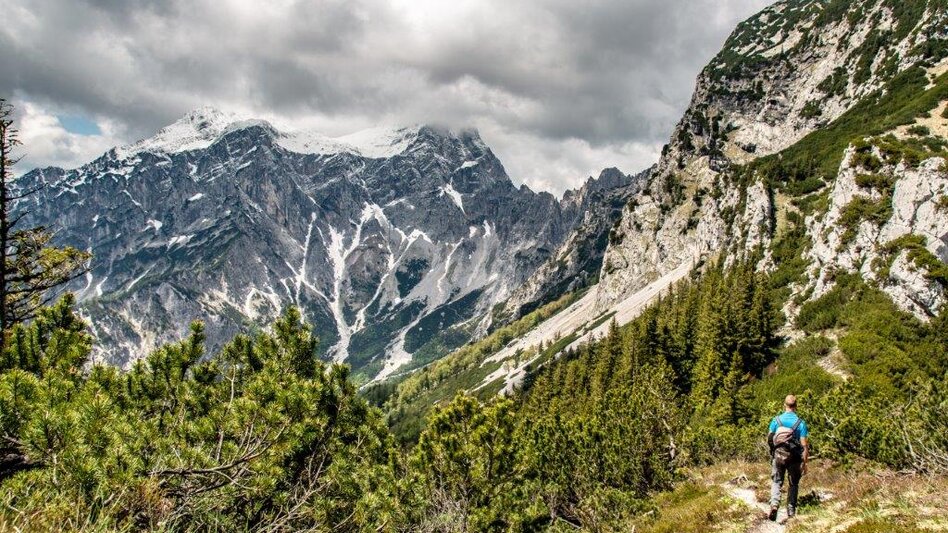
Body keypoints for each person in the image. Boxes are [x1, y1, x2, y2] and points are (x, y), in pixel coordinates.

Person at [767, 394, 809, 521]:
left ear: (784, 405)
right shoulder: (801, 423)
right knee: (793, 484)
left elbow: (769, 438)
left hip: (778, 455)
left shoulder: (776, 420)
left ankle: (774, 505)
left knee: (776, 481)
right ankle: (791, 510)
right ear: (796, 406)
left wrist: (773, 452)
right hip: (794, 458)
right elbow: (804, 446)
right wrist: (804, 463)